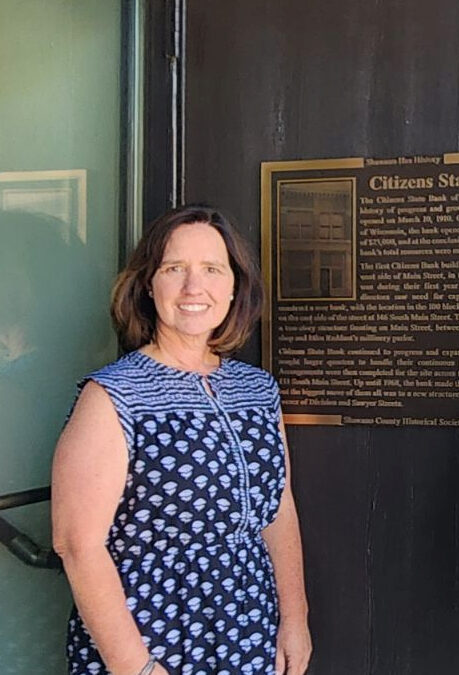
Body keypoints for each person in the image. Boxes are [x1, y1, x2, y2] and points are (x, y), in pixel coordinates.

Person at [51, 205, 312, 675]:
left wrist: (295, 619)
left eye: (212, 269)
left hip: (246, 630)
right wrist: (138, 668)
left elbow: (278, 508)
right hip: (150, 638)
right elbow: (77, 544)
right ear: (149, 285)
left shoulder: (255, 389)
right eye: (175, 269)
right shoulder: (113, 395)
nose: (195, 288)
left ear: (234, 287)